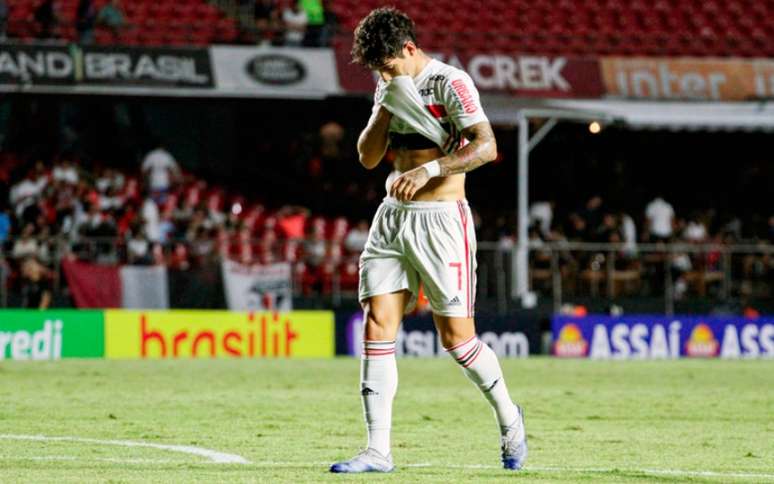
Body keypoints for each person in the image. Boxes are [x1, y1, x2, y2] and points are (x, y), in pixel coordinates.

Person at [330, 8, 526, 474]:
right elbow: (367, 157)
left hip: (441, 220)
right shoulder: (387, 83)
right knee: (377, 323)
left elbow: (486, 146)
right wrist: (384, 104)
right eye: (376, 69)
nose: (384, 73)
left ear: (410, 49)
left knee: (457, 341)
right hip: (393, 218)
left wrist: (430, 169)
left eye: (388, 65)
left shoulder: (450, 83)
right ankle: (378, 450)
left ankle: (509, 417)